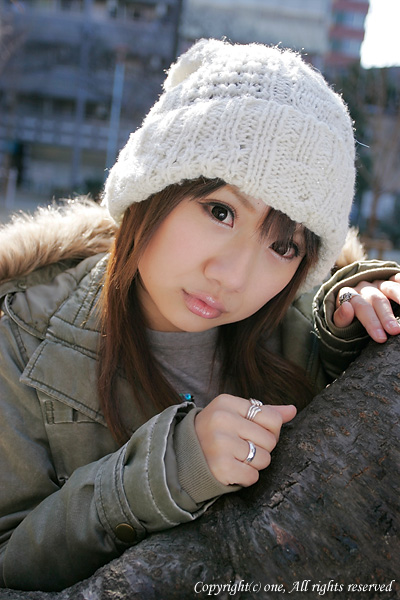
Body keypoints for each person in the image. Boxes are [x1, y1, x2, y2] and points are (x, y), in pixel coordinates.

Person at [0, 39, 399, 592]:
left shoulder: (304, 334)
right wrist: (168, 470)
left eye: (283, 246)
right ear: (153, 186)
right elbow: (10, 563)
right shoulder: (20, 338)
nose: (233, 276)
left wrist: (367, 325)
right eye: (220, 211)